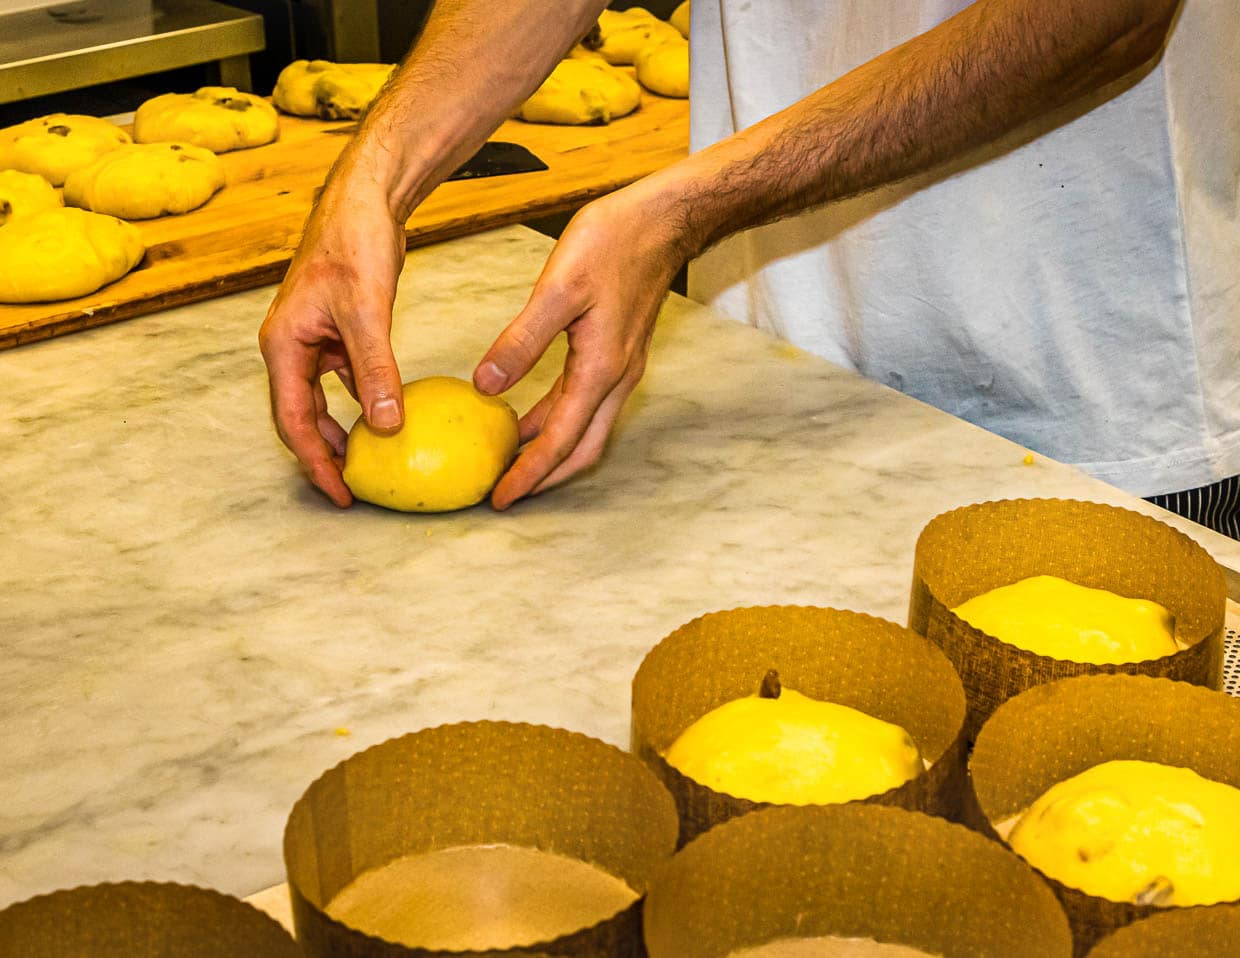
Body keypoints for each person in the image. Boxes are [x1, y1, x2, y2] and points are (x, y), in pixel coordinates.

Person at [258, 0, 1240, 538]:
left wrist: (687, 206)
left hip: (1093, 393)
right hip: (788, 376)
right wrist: (373, 177)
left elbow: (1101, 16)